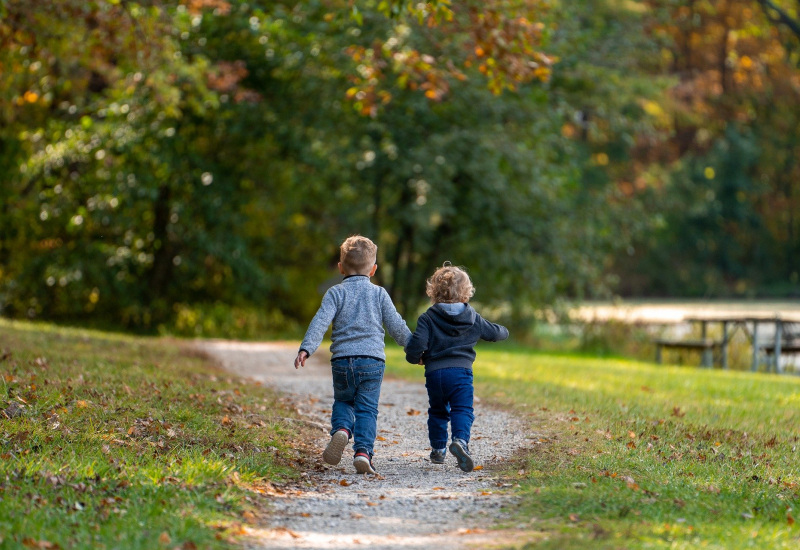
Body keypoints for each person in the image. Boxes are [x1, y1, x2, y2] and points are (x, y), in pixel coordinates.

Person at [294, 235, 412, 474]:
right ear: (374, 270)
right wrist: (415, 349)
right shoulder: (379, 294)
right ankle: (363, 453)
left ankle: (342, 430)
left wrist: (306, 348)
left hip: (342, 361)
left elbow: (320, 322)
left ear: (340, 267)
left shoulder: (335, 293)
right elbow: (396, 326)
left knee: (344, 400)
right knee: (367, 409)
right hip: (372, 361)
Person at [404, 263, 509, 472]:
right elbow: (495, 333)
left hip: (435, 375)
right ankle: (460, 441)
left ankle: (438, 450)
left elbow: (417, 345)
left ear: (434, 292)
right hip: (461, 374)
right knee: (462, 409)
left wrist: (416, 358)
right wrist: (505, 331)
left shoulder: (428, 317)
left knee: (437, 411)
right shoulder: (472, 318)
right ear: (466, 293)